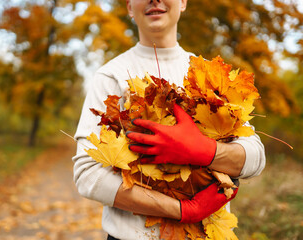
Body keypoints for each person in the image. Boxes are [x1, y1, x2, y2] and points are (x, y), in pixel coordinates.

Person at [72, 0, 266, 239]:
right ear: (130, 8)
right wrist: (183, 211)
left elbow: (256, 157)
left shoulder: (209, 76)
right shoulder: (111, 76)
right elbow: (87, 174)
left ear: (183, 2)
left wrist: (206, 151)